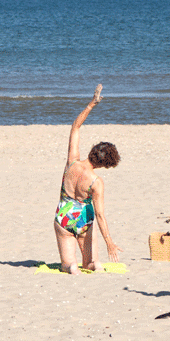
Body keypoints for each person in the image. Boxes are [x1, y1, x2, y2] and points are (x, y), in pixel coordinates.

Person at [52, 84, 122, 273]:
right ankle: (92, 264)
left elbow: (75, 126)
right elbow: (100, 215)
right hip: (83, 220)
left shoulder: (72, 163)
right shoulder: (96, 182)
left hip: (64, 217)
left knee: (70, 266)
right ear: (105, 165)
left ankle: (72, 268)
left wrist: (92, 103)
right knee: (93, 264)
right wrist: (110, 243)